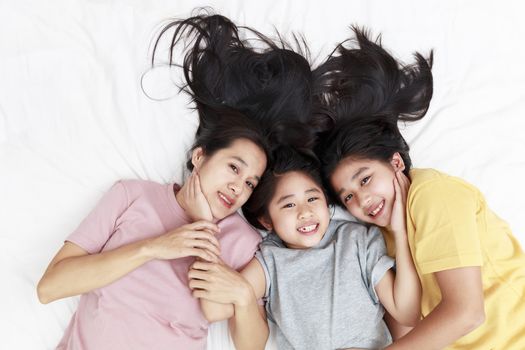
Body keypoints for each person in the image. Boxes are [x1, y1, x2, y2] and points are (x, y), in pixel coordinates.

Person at [37, 12, 315, 350]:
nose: (238, 188)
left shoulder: (240, 241)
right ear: (200, 156)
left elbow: (252, 345)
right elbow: (50, 287)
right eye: (234, 168)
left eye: (250, 183)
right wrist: (154, 247)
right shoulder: (132, 196)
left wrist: (240, 292)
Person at [316, 28, 525, 349]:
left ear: (396, 163)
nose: (362, 199)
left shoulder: (432, 194)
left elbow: (467, 312)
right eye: (348, 196)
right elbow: (408, 325)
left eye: (365, 179)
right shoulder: (381, 235)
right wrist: (399, 236)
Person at [187, 147, 421, 350]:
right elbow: (214, 310)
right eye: (288, 204)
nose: (305, 212)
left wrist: (400, 233)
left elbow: (407, 312)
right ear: (267, 221)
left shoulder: (356, 240)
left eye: (312, 199)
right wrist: (203, 224)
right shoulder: (271, 260)